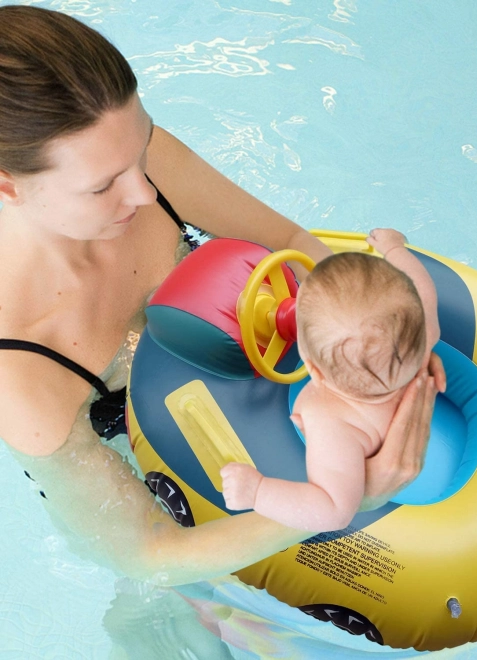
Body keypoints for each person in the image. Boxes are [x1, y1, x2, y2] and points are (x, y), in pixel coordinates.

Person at [0, 5, 446, 588]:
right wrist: (348, 496)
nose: (142, 189)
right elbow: (147, 555)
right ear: (7, 185)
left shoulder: (131, 159)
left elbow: (290, 241)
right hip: (178, 476)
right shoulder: (22, 370)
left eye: (142, 148)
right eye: (103, 185)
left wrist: (381, 340)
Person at [220, 228, 441, 531]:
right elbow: (422, 285)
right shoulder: (425, 332)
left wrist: (257, 491)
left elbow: (333, 511)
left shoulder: (333, 424)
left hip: (373, 464)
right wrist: (393, 249)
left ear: (315, 371)